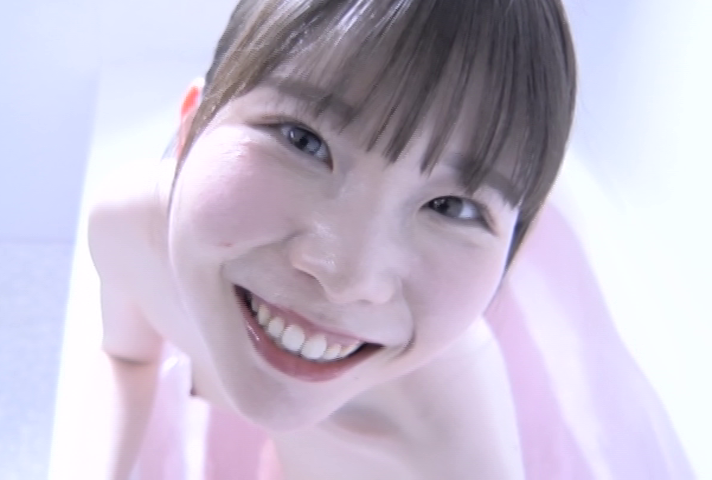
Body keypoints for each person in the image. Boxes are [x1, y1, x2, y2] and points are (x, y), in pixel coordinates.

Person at [54, 0, 691, 479]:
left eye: (452, 206)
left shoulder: (451, 427)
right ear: (191, 127)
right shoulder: (128, 226)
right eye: (303, 140)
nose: (346, 276)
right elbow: (126, 360)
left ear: (508, 258)